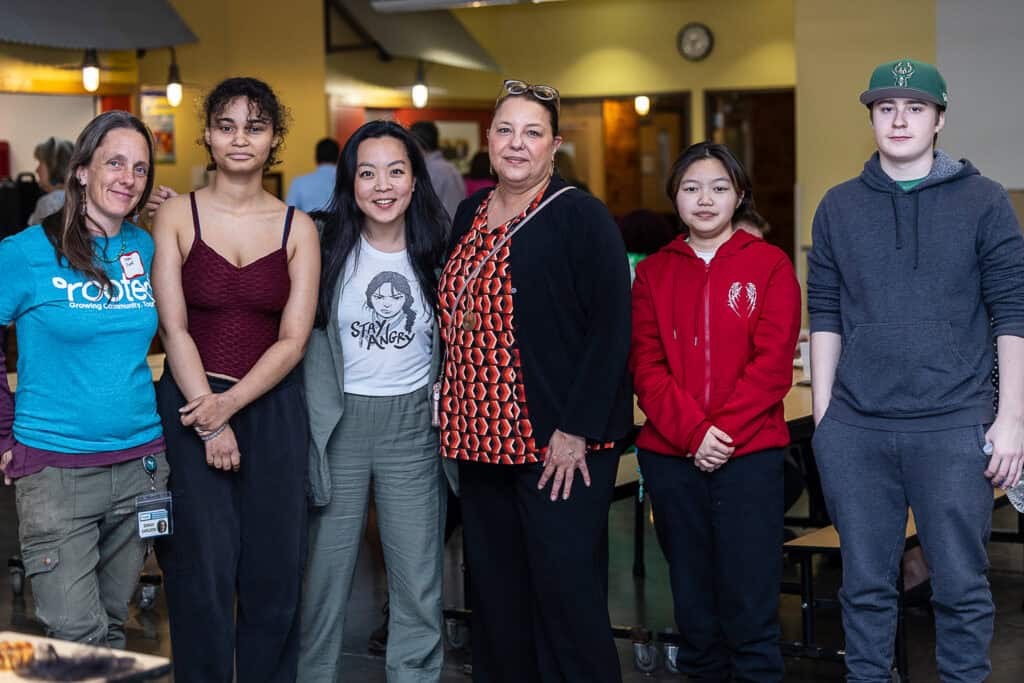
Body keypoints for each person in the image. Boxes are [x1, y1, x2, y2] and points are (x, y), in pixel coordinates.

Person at [807, 59, 1024, 682]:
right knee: (865, 590)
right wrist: (826, 419)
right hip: (858, 430)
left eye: (915, 108)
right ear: (872, 119)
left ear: (940, 119)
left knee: (960, 588)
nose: (899, 119)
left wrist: (1009, 421)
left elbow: (1012, 311)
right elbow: (825, 311)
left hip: (953, 427)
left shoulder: (984, 201)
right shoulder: (839, 206)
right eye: (885, 108)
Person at [439, 79, 632, 682]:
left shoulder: (580, 216)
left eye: (532, 133)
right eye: (505, 130)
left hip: (556, 444)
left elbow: (612, 329)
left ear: (555, 145)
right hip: (478, 442)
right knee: (496, 603)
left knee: (565, 600)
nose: (516, 145)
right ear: (488, 140)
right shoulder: (470, 212)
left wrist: (574, 429)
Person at [150, 77, 319, 682]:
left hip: (272, 408)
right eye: (226, 126)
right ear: (209, 136)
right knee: (200, 570)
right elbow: (174, 329)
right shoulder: (175, 214)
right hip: (190, 404)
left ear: (274, 138)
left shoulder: (298, 228)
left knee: (274, 572)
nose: (240, 139)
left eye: (255, 126)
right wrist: (208, 411)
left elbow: (294, 340)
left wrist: (233, 405)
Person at [630, 142, 800, 682]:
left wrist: (720, 433)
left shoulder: (770, 266)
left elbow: (772, 364)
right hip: (672, 461)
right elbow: (646, 367)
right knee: (694, 611)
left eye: (720, 188)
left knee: (751, 609)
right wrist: (693, 435)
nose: (705, 200)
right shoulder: (652, 274)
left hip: (749, 456)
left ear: (740, 195)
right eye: (691, 188)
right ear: (674, 198)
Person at [0, 110, 168, 646]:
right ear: (80, 170)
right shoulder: (23, 253)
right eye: (114, 162)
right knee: (77, 636)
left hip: (142, 466)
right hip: (54, 470)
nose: (128, 178)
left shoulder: (144, 247)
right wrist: (5, 434)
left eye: (140, 168)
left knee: (113, 626)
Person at [298, 119, 451, 682]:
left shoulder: (438, 249)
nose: (382, 185)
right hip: (338, 422)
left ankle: (415, 674)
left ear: (415, 180)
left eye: (395, 170)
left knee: (417, 576)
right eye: (367, 172)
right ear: (350, 182)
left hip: (413, 425)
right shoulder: (321, 242)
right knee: (324, 576)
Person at [410, 120, 465, 219]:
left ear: (416, 144)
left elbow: (422, 211)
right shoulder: (451, 168)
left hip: (439, 231)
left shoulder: (428, 171)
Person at [26, 137, 74, 227]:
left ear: (54, 166)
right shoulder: (80, 197)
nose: (37, 170)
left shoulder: (50, 203)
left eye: (40, 163)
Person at [286, 137, 340, 213]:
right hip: (342, 224)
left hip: (308, 223)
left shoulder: (299, 182)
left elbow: (290, 214)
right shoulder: (348, 180)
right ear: (339, 157)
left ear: (316, 157)